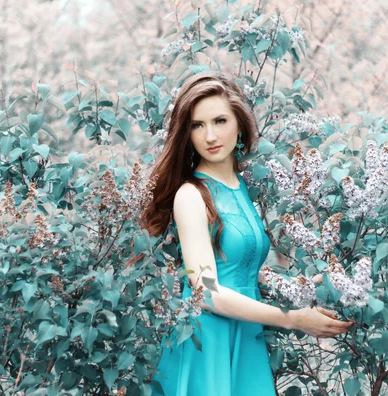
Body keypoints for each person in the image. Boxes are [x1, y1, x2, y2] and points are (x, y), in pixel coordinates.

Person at [140, 71, 354, 396]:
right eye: (198, 125)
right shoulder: (191, 195)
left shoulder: (241, 187)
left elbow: (242, 267)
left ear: (239, 123)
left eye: (220, 121)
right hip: (207, 341)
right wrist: (293, 318)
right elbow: (206, 290)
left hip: (246, 334)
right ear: (187, 133)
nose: (210, 135)